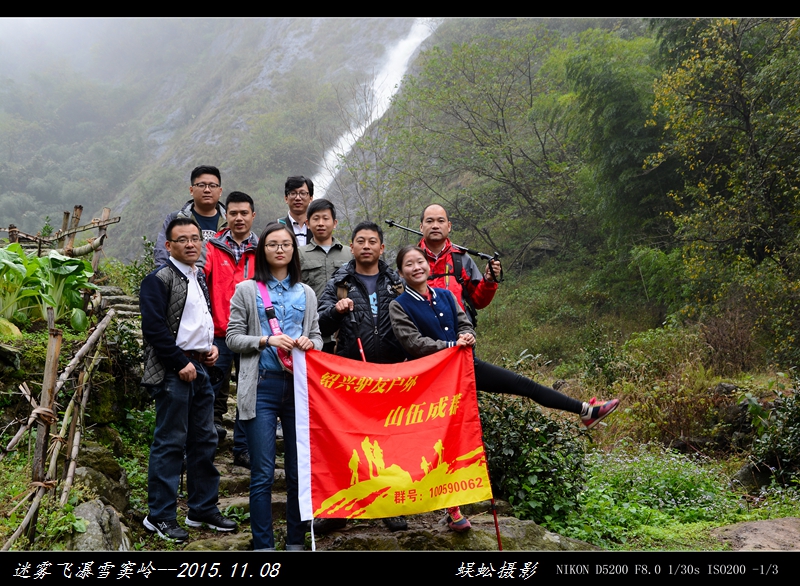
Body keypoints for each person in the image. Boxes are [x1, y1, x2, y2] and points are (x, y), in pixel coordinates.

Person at [389, 245, 620, 533]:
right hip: (433, 381)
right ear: (401, 272)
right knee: (446, 439)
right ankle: (452, 509)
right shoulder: (399, 305)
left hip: (466, 367)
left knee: (523, 384)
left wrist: (468, 336)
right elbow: (412, 343)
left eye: (420, 261)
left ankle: (586, 410)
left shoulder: (446, 295)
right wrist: (450, 346)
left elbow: (465, 323)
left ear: (428, 265)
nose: (417, 267)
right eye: (409, 264)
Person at [139, 217, 237, 542]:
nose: (191, 244)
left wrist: (207, 349)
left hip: (199, 368)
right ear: (168, 246)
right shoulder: (159, 279)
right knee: (170, 442)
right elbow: (154, 329)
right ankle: (160, 516)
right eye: (182, 239)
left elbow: (196, 322)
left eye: (195, 238)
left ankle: (202, 508)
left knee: (205, 439)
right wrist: (180, 360)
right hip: (174, 371)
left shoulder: (198, 278)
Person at [226, 222, 322, 551]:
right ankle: (263, 545)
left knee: (298, 472)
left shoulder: (306, 293)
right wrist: (266, 339)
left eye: (285, 244)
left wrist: (311, 342)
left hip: (298, 389)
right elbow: (232, 337)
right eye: (272, 244)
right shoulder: (246, 290)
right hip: (262, 387)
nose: (279, 249)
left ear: (294, 251)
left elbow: (319, 339)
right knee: (263, 472)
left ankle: (296, 542)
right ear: (262, 250)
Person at [316, 221, 408, 533]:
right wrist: (336, 311)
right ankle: (340, 508)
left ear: (382, 248)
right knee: (346, 440)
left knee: (389, 441)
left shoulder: (397, 282)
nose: (366, 246)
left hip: (392, 372)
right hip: (350, 374)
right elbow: (320, 325)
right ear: (351, 247)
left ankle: (390, 505)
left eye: (372, 241)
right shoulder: (339, 282)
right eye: (360, 241)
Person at [203, 191, 257, 468]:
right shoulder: (212, 247)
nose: (238, 218)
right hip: (219, 332)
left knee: (248, 394)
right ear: (226, 215)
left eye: (244, 213)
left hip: (253, 336)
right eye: (233, 213)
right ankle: (209, 446)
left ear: (252, 216)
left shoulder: (262, 249)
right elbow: (201, 281)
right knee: (212, 391)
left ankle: (243, 449)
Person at [418, 204, 501, 325]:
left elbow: (478, 301)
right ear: (421, 227)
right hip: (422, 337)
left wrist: (488, 280)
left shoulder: (461, 259)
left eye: (441, 221)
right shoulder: (411, 261)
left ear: (449, 226)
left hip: (460, 334)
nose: (435, 226)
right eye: (429, 221)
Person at [298, 199, 353, 352]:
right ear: (308, 223)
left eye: (325, 218)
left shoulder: (349, 253)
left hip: (344, 331)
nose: (321, 223)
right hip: (311, 332)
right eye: (316, 219)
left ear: (334, 223)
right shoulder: (298, 254)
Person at [154, 165, 227, 267]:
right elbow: (162, 253)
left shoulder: (231, 222)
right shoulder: (175, 219)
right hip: (184, 279)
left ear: (220, 191)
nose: (207, 190)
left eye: (212, 185)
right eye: (201, 185)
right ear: (191, 190)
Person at [278, 175, 314, 247]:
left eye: (303, 193)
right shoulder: (276, 226)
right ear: (286, 198)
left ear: (311, 198)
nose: (298, 198)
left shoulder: (317, 228)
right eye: (293, 193)